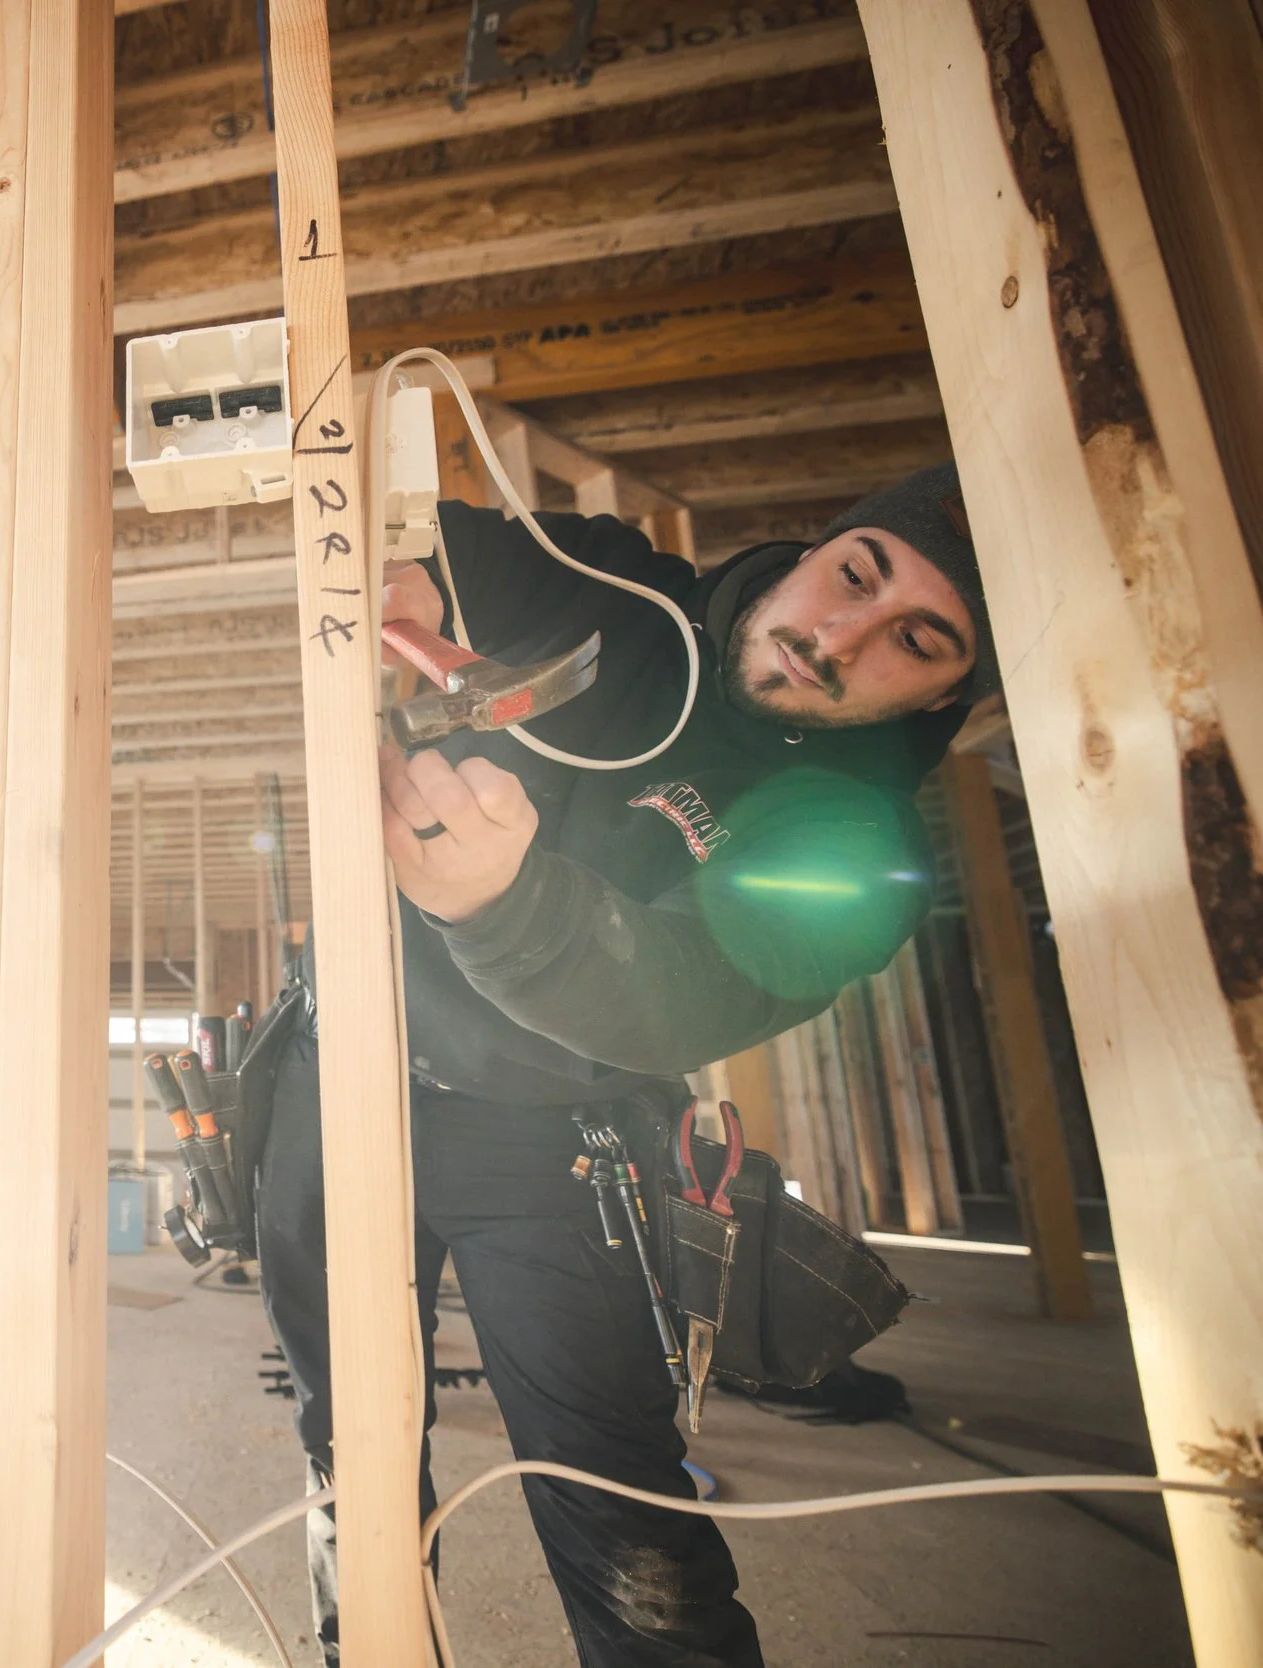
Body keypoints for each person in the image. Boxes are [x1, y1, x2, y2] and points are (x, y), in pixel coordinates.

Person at [257, 463, 993, 1666]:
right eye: (856, 576)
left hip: (553, 1145)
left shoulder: (851, 835)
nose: (840, 636)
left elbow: (680, 996)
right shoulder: (616, 589)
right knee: (348, 1448)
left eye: (916, 639)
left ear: (950, 690)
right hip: (330, 1082)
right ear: (817, 547)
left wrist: (502, 907)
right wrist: (392, 575)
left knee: (614, 1503)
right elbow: (407, 526)